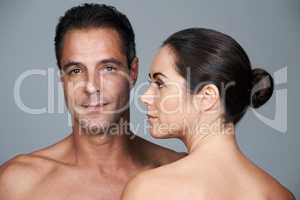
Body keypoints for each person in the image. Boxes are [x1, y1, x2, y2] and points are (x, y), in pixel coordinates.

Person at [0, 3, 184, 200]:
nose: (91, 86)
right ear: (63, 79)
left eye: (108, 68)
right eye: (76, 71)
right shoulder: (17, 183)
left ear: (133, 72)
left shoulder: (180, 173)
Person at [122, 28, 295, 199]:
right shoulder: (280, 194)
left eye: (160, 84)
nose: (145, 97)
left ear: (207, 97)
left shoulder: (149, 190)